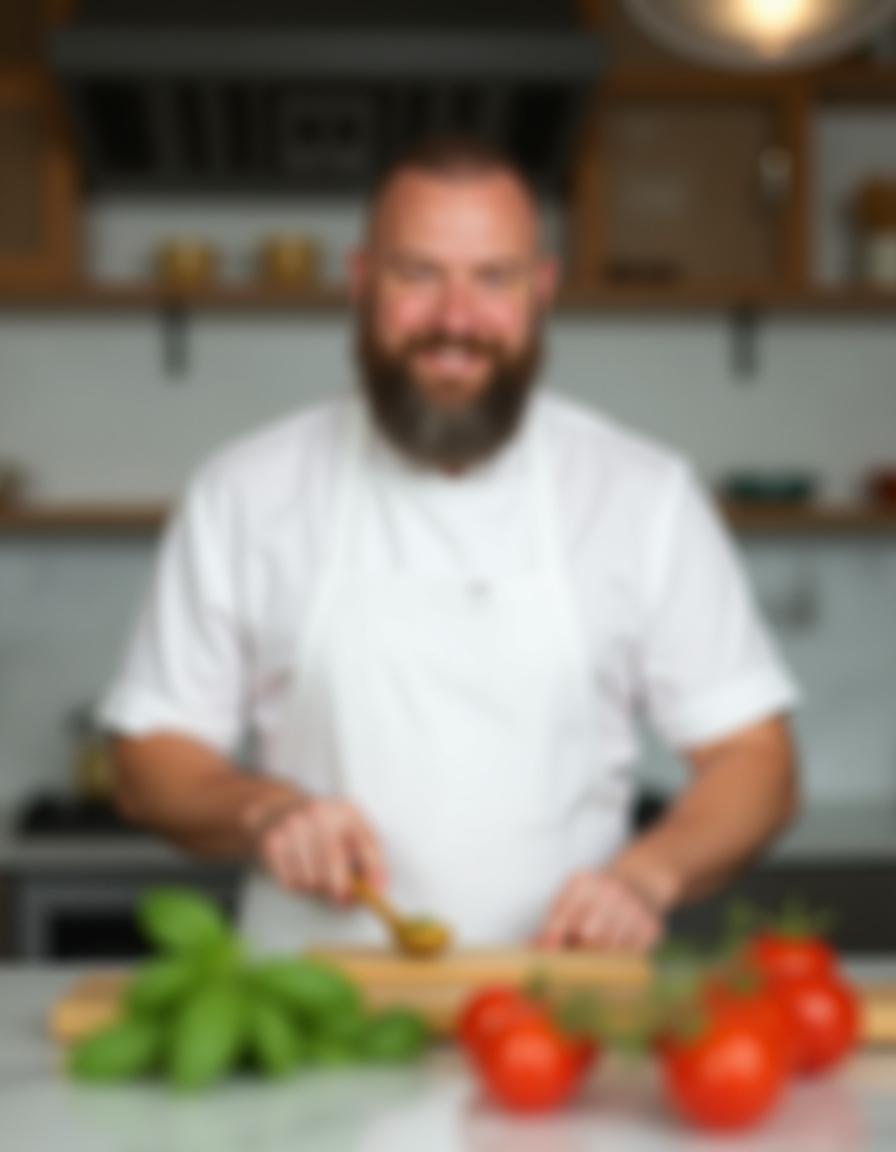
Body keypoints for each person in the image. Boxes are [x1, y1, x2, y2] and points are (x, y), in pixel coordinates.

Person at [99, 135, 800, 956]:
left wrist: (648, 876)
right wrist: (267, 811)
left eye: (493, 278)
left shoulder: (644, 496)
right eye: (418, 274)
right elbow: (149, 758)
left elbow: (756, 759)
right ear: (363, 284)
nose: (456, 320)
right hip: (314, 1009)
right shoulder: (246, 490)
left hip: (560, 1012)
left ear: (542, 291)